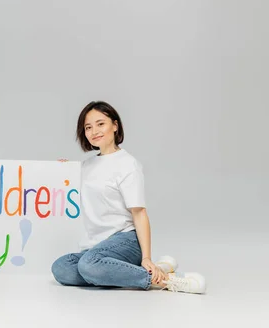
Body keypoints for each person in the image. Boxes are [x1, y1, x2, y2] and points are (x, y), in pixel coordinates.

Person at [52, 101, 206, 294]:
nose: (94, 131)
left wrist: (146, 257)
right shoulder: (85, 166)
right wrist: (61, 171)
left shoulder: (127, 164)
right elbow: (65, 189)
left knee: (89, 265)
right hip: (96, 246)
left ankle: (164, 280)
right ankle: (150, 270)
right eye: (88, 127)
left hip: (125, 241)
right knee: (61, 268)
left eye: (101, 124)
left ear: (115, 126)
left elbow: (139, 213)